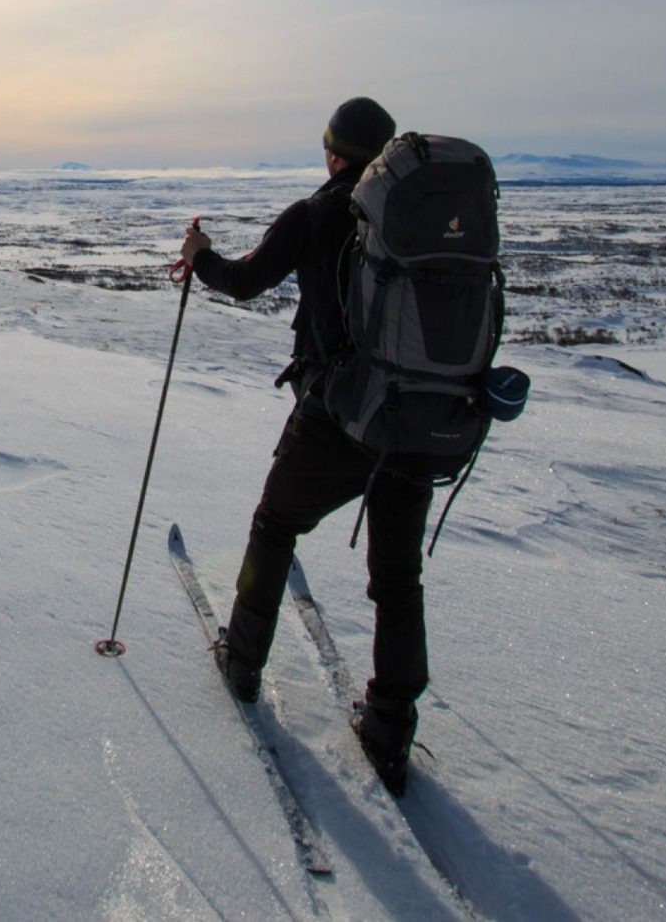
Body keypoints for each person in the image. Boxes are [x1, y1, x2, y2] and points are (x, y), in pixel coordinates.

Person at [178, 96, 474, 794]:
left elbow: (246, 281)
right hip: (410, 424)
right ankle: (391, 729)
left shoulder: (316, 214)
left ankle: (243, 662)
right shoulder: (417, 222)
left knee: (276, 523)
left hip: (339, 418)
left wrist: (200, 256)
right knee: (398, 580)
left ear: (334, 152)